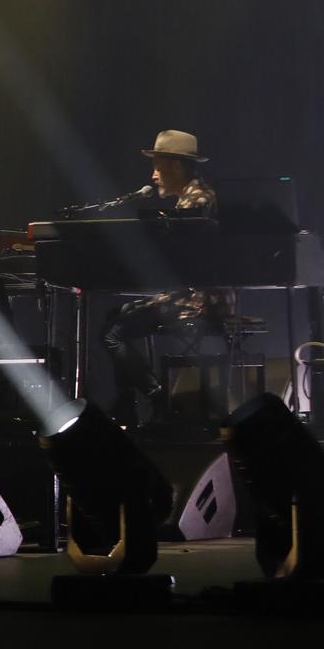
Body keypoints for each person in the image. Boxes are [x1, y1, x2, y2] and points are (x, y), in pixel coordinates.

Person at [99, 129, 222, 426]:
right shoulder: (192, 197)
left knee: (113, 333)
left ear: (176, 166)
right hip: (187, 293)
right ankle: (127, 405)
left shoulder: (197, 201)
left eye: (158, 166)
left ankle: (158, 400)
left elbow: (187, 259)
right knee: (115, 317)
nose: (153, 176)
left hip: (199, 298)